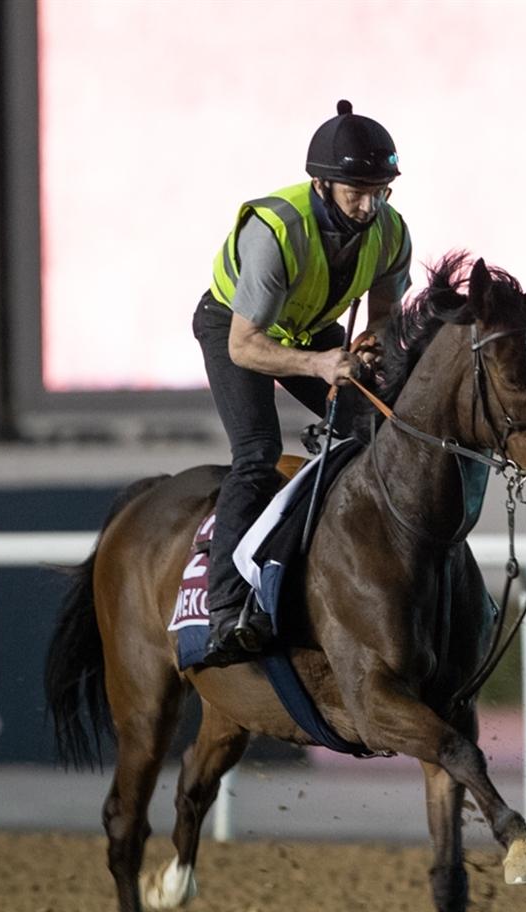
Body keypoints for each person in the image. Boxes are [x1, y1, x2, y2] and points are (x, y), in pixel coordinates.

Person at [195, 100, 413, 666]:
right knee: (258, 451)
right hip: (235, 329)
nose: (369, 206)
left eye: (379, 191)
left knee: (378, 426)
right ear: (321, 184)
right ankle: (224, 608)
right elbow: (246, 346)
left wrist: (369, 344)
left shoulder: (391, 232)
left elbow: (384, 318)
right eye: (355, 193)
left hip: (309, 329)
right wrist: (320, 365)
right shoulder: (276, 233)